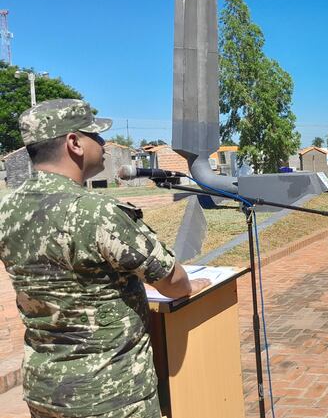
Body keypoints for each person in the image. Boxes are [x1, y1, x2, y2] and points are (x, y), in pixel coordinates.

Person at [0, 99, 210, 418]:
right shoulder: (98, 213)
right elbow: (173, 283)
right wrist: (191, 284)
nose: (103, 144)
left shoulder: (6, 213)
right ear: (74, 143)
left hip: (45, 393)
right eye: (94, 136)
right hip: (110, 397)